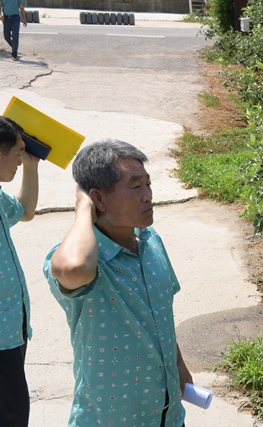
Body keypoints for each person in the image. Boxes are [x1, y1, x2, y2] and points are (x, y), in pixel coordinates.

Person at [43, 139, 192, 427]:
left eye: (148, 185)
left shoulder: (151, 241)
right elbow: (74, 268)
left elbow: (161, 315)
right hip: (111, 419)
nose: (148, 196)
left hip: (167, 416)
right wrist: (83, 210)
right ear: (98, 199)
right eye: (136, 187)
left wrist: (178, 367)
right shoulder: (81, 257)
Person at [0, 116, 40, 427]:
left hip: (11, 327)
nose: (19, 158)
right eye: (17, 151)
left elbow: (24, 210)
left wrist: (31, 166)